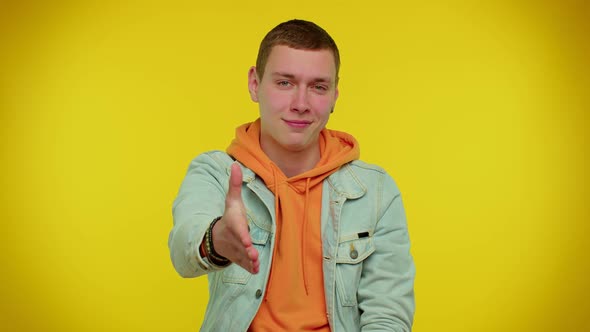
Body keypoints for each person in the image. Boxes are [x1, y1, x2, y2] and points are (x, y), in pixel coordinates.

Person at [168, 19, 415, 331]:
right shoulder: (216, 173)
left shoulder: (376, 191)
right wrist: (216, 240)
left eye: (318, 87)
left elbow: (388, 315)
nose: (301, 104)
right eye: (285, 83)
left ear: (335, 95)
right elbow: (183, 249)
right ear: (254, 84)